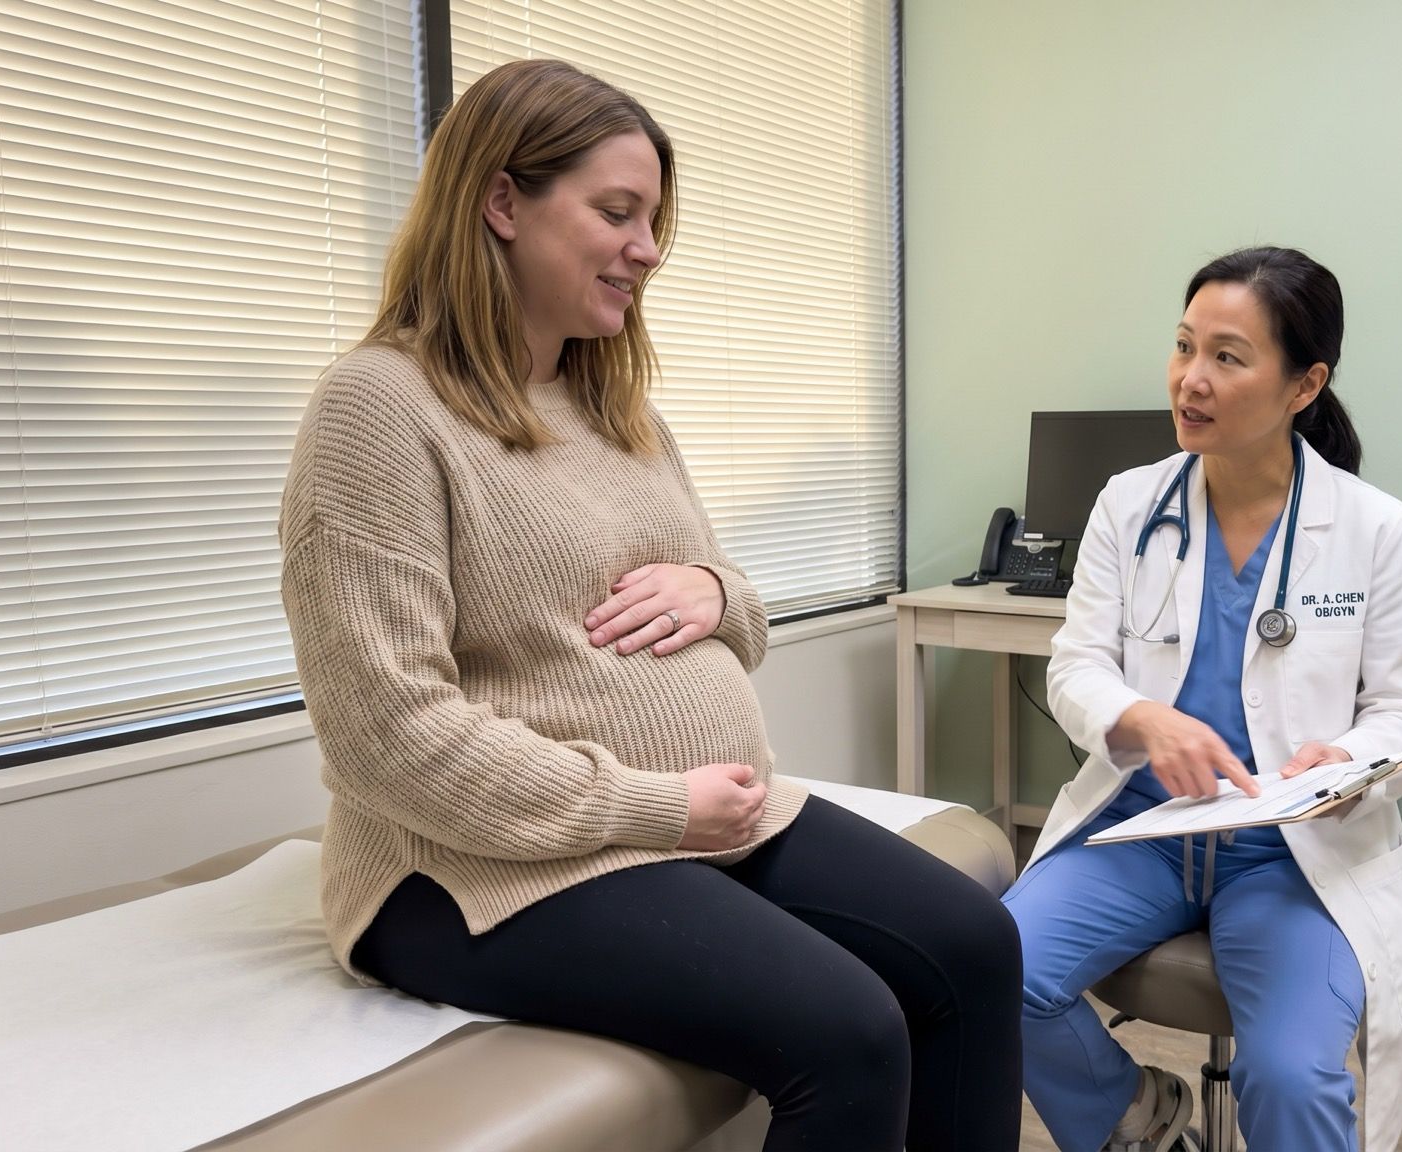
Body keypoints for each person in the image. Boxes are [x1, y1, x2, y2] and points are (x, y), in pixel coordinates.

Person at [277, 58, 1020, 1151]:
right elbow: (388, 738)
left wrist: (713, 590)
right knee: (850, 1029)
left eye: (654, 219)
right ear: (500, 203)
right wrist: (658, 808)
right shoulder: (378, 410)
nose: (648, 248)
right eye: (617, 212)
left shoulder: (613, 404)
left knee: (974, 942)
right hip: (468, 867)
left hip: (684, 820)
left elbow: (747, 624)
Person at [1002, 247, 1402, 1152]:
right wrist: (1140, 717)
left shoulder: (1373, 528)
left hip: (1291, 851)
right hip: (1146, 834)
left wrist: (1354, 763)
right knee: (990, 975)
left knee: (1288, 1075)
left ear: (1303, 385)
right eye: (1182, 347)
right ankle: (1137, 1119)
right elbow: (1076, 664)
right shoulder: (1129, 507)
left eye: (1228, 357)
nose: (1190, 380)